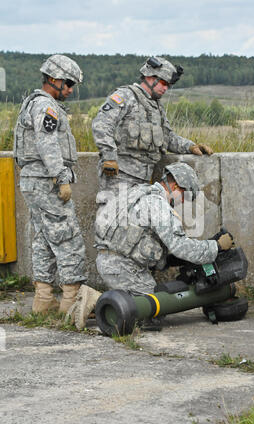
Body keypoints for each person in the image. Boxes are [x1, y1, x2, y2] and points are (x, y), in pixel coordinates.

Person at [13, 54, 87, 314]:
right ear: (53, 79)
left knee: (44, 240)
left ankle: (43, 300)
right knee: (68, 239)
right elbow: (47, 143)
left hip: (33, 181)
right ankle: (73, 302)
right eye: (67, 84)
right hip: (47, 182)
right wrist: (61, 177)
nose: (69, 90)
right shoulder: (46, 106)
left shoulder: (32, 103)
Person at [95, 162, 234, 295]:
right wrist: (217, 246)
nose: (184, 201)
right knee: (153, 312)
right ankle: (92, 301)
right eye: (185, 195)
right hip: (123, 268)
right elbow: (180, 246)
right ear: (175, 187)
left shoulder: (138, 191)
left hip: (109, 262)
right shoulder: (158, 205)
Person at [92, 56, 214, 196]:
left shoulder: (156, 107)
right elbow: (101, 124)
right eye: (162, 82)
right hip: (120, 177)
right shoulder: (125, 96)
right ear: (150, 77)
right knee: (114, 214)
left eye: (168, 85)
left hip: (143, 180)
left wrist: (190, 146)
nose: (165, 88)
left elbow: (167, 138)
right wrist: (109, 156)